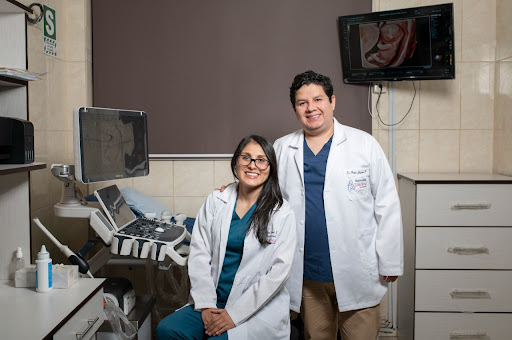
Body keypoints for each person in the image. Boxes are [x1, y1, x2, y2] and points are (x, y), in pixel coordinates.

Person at [273, 70, 403, 340]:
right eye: (302, 103)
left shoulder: (363, 144)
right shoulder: (283, 148)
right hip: (308, 276)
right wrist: (230, 191)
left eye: (318, 99)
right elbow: (263, 194)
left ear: (332, 101)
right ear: (295, 109)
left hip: (359, 270)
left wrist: (390, 262)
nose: (311, 108)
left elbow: (387, 205)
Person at [156, 135, 297, 340]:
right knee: (168, 330)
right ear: (236, 161)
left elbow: (278, 272)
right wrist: (205, 305)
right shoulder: (217, 200)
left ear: (270, 167)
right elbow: (199, 254)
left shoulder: (281, 212)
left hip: (255, 307)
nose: (252, 165)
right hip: (212, 300)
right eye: (246, 158)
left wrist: (234, 315)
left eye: (261, 159)